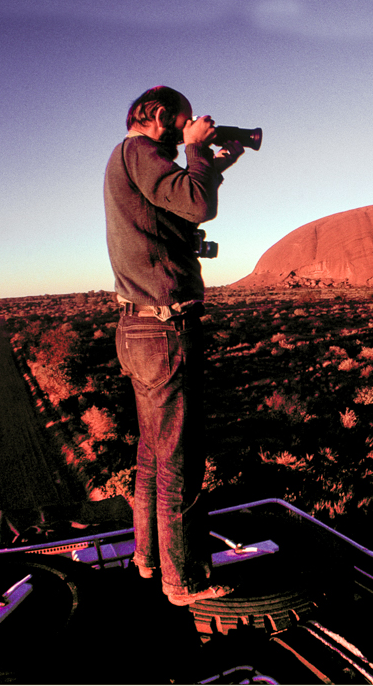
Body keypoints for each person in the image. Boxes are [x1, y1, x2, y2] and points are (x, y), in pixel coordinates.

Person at [104, 85, 245, 606]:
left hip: (139, 329)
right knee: (179, 461)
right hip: (164, 329)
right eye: (182, 123)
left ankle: (147, 560)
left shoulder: (133, 160)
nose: (187, 131)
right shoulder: (142, 152)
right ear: (161, 116)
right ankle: (183, 581)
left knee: (152, 452)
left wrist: (215, 162)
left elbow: (179, 199)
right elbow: (196, 204)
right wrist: (196, 149)